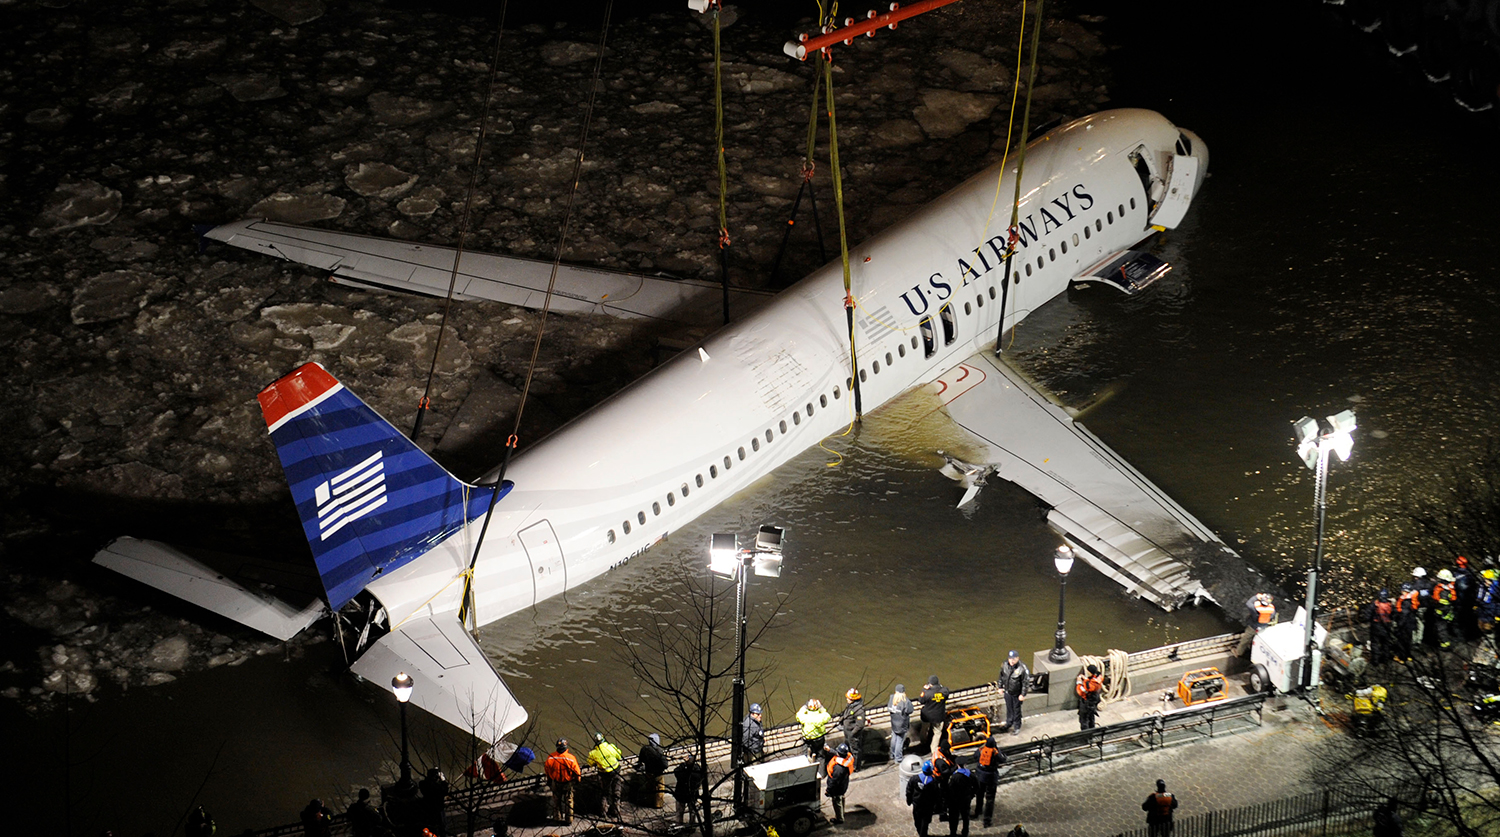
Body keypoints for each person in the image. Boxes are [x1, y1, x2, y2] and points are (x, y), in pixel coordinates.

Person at [543, 738, 582, 825]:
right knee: (569, 801)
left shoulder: (551, 757)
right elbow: (577, 772)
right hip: (568, 783)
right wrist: (577, 780)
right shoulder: (571, 758)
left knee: (556, 801)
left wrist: (549, 780)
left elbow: (547, 770)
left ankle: (557, 818)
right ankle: (569, 820)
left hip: (556, 782)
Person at [587, 731, 624, 819]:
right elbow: (619, 755)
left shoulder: (593, 753)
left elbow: (590, 763)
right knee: (616, 791)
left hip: (604, 774)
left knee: (605, 793)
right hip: (616, 771)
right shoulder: (611, 747)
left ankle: (604, 811)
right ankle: (616, 810)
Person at [972, 734, 1004, 827]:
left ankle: (978, 812)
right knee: (990, 799)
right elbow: (1002, 759)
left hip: (980, 776)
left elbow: (975, 756)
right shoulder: (995, 753)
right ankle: (987, 821)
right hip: (991, 777)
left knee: (979, 795)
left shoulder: (981, 751)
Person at [906, 760, 943, 837]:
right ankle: (923, 834)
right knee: (925, 822)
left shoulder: (914, 778)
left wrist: (909, 800)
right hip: (928, 806)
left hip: (917, 805)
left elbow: (909, 790)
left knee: (917, 821)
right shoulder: (934, 782)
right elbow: (937, 795)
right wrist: (938, 807)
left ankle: (921, 833)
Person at [997, 652, 1030, 735]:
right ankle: (1009, 723)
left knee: (1016, 711)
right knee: (1009, 709)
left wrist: (1023, 694)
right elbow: (1001, 677)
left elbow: (1025, 683)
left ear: (1017, 659)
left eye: (1014, 659)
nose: (1012, 660)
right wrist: (1000, 687)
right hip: (1008, 692)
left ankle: (1017, 727)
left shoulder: (1022, 668)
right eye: (1011, 658)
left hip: (1016, 694)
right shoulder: (1005, 665)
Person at [918, 675, 949, 753]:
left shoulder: (927, 693)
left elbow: (921, 700)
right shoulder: (944, 691)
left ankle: (923, 741)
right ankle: (934, 749)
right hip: (938, 716)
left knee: (924, 729)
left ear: (930, 684)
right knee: (937, 733)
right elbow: (946, 692)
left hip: (927, 716)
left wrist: (924, 690)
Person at [638, 732, 669, 809]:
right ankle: (658, 805)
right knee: (659, 789)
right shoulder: (659, 751)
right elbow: (665, 765)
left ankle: (649, 801)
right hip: (658, 773)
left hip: (648, 772)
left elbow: (641, 760)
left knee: (649, 787)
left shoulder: (644, 749)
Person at [824, 742, 854, 824]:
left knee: (837, 802)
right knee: (841, 798)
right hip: (843, 785)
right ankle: (842, 813)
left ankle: (840, 819)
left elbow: (834, 781)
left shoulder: (838, 768)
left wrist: (828, 790)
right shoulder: (847, 757)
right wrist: (829, 750)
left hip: (838, 788)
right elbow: (837, 753)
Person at [672, 752, 704, 828]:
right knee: (692, 811)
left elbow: (677, 773)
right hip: (690, 794)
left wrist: (684, 767)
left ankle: (681, 825)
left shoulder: (684, 771)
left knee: (681, 812)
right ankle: (690, 825)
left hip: (682, 794)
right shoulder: (697, 770)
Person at [945, 764, 977, 837]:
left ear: (957, 765)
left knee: (954, 818)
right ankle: (965, 833)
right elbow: (977, 786)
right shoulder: (970, 774)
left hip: (955, 801)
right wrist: (971, 794)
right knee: (965, 817)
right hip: (966, 799)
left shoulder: (954, 776)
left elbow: (950, 789)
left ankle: (953, 833)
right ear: (965, 765)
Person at [839, 688, 867, 770]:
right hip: (848, 732)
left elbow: (860, 725)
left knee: (855, 750)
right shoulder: (850, 706)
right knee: (849, 749)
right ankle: (849, 763)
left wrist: (852, 733)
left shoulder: (859, 710)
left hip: (853, 734)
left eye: (848, 698)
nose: (847, 699)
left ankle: (856, 767)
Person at [1367, 589, 1395, 664]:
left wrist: (1371, 620)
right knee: (1385, 643)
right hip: (1387, 626)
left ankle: (1375, 661)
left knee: (1375, 643)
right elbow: (1394, 615)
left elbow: (1367, 615)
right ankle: (1385, 660)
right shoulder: (1390, 605)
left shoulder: (1375, 604)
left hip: (1376, 626)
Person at [1395, 582, 1421, 662]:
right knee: (1408, 640)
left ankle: (1402, 658)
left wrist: (1399, 625)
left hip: (1404, 625)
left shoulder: (1405, 601)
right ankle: (1408, 655)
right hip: (1410, 623)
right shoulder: (1413, 600)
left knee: (1401, 641)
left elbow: (1404, 615)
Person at [1432, 569, 1458, 650]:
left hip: (1442, 613)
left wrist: (1439, 612)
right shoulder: (1449, 587)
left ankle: (1445, 645)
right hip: (1448, 612)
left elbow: (1444, 603)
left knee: (1441, 629)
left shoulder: (1444, 591)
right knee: (1446, 628)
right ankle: (1450, 641)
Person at [419, 767, 448, 836]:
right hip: (437, 810)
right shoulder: (436, 788)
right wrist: (443, 781)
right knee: (441, 827)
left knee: (430, 828)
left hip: (427, 809)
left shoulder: (423, 784)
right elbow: (444, 791)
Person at [888, 684, 914, 762]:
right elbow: (910, 710)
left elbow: (888, 708)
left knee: (894, 738)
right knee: (900, 740)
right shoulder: (905, 701)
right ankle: (898, 758)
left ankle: (892, 754)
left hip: (894, 723)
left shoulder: (892, 698)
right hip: (902, 724)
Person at [1075, 664, 1104, 730]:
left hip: (1087, 702)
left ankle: (1086, 736)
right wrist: (1086, 679)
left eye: (1088, 672)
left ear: (1090, 672)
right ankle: (1091, 733)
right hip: (1094, 701)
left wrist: (1079, 682)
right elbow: (1092, 681)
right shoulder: (1098, 678)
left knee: (1084, 719)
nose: (1087, 672)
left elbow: (1081, 691)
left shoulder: (1089, 685)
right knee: (1091, 717)